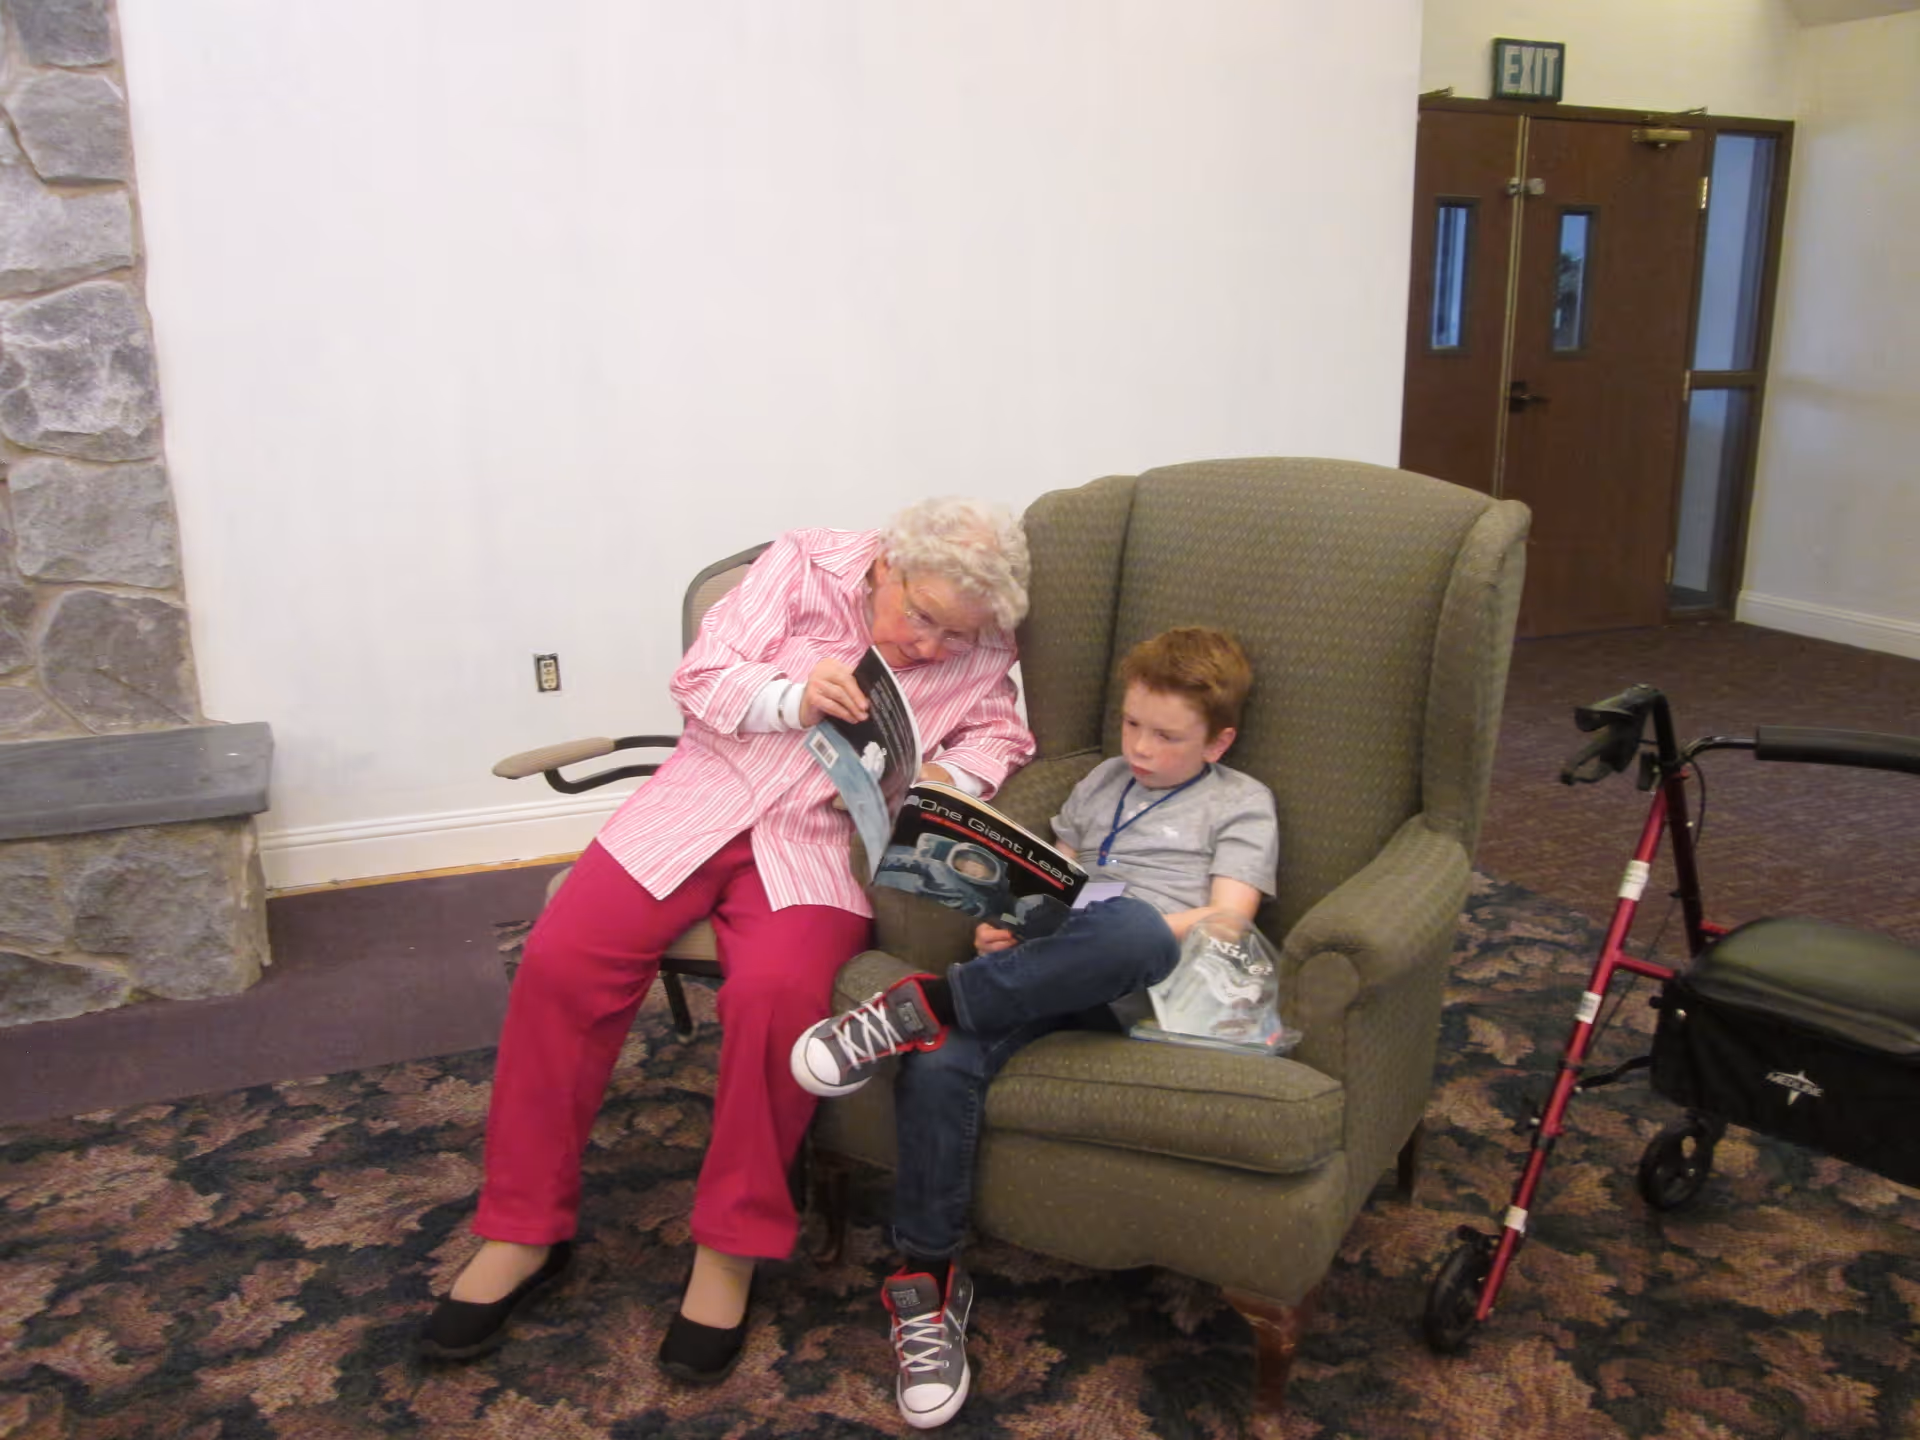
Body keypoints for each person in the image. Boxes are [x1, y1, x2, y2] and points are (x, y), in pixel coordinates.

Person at [418, 497, 1035, 1383]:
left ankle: (730, 1249)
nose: (933, 646)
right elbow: (702, 672)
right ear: (887, 566)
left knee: (780, 1000)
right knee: (561, 961)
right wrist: (790, 696)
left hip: (817, 845)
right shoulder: (807, 562)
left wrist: (949, 773)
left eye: (956, 635)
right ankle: (522, 1230)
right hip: (697, 806)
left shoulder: (981, 642)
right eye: (922, 618)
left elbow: (1002, 732)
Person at [790, 626, 1279, 1429]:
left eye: (1167, 736)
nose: (1142, 748)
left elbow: (1229, 921)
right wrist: (1013, 922)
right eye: (1132, 726)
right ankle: (930, 1287)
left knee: (1135, 929)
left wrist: (1114, 921)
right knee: (942, 1062)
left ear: (1219, 740)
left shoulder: (1242, 802)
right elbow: (1052, 871)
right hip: (1052, 974)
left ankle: (925, 1003)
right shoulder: (1101, 783)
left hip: (1153, 982)